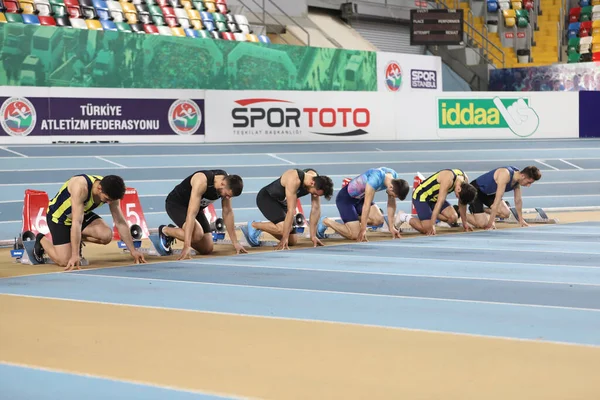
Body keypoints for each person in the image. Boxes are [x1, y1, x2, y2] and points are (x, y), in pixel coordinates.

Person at [33, 174, 146, 270]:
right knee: (65, 261)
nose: (109, 203)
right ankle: (41, 239)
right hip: (59, 219)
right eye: (106, 199)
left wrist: (133, 250)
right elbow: (76, 223)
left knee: (106, 236)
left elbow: (120, 222)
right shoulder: (81, 187)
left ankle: (74, 240)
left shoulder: (111, 190)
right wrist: (75, 255)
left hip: (81, 215)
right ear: (99, 189)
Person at [158, 169, 246, 260]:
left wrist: (235, 242)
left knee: (207, 248)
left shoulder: (228, 182)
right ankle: (165, 231)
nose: (227, 198)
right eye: (227, 195)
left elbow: (227, 212)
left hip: (196, 207)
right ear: (222, 184)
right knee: (196, 235)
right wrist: (187, 245)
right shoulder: (201, 181)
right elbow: (191, 213)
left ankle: (177, 231)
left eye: (230, 196)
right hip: (177, 204)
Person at [241, 168, 334, 250]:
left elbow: (316, 209)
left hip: (282, 201)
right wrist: (284, 237)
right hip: (267, 198)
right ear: (312, 183)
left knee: (292, 241)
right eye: (315, 193)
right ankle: (254, 225)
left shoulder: (316, 181)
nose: (315, 196)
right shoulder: (294, 179)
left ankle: (262, 228)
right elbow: (291, 210)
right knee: (283, 230)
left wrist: (313, 236)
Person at [317, 167, 410, 242]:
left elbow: (391, 204)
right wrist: (363, 229)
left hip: (360, 199)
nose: (392, 197)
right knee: (355, 235)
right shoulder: (375, 179)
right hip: (346, 199)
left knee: (378, 220)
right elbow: (366, 205)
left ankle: (351, 220)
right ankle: (326, 221)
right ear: (390, 187)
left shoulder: (394, 177)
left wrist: (391, 227)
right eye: (393, 195)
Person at [396, 169, 477, 236]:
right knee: (427, 230)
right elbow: (439, 203)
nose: (457, 197)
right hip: (421, 196)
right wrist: (432, 225)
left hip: (434, 198)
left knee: (453, 218)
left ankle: (429, 214)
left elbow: (462, 203)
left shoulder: (465, 180)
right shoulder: (448, 179)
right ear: (459, 189)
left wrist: (465, 222)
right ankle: (403, 216)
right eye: (458, 196)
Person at [466, 165, 541, 230]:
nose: (528, 186)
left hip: (487, 193)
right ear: (523, 176)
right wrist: (491, 223)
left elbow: (518, 200)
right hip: (475, 191)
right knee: (482, 224)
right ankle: (459, 211)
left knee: (506, 213)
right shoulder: (505, 174)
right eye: (529, 182)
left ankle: (478, 210)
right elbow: (497, 199)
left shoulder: (518, 177)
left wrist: (521, 220)